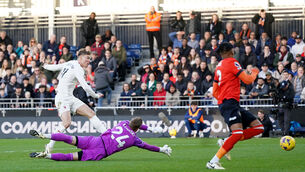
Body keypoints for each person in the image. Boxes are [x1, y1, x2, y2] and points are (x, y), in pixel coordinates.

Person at [206, 43, 263, 169]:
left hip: (230, 104)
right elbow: (247, 80)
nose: (234, 51)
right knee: (237, 134)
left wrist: (222, 101)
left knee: (259, 128)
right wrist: (254, 73)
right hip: (230, 103)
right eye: (232, 49)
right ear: (229, 51)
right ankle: (212, 162)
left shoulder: (218, 67)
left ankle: (227, 141)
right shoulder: (232, 62)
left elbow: (215, 91)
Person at [41, 50, 105, 153]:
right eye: (87, 58)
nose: (89, 61)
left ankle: (107, 135)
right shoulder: (78, 69)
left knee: (91, 113)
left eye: (89, 58)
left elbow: (55, 67)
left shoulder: (71, 62)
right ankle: (49, 145)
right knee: (66, 123)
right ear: (80, 58)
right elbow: (85, 86)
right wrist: (96, 95)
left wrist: (45, 65)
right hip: (62, 98)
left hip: (70, 97)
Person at [29, 117, 171, 161]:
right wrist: (162, 150)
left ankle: (45, 134)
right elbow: (148, 146)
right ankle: (46, 156)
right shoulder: (135, 140)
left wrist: (149, 128)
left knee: (68, 138)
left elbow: (137, 124)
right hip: (100, 151)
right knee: (70, 157)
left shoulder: (123, 122)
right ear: (138, 129)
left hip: (95, 140)